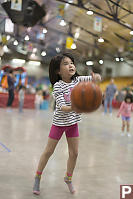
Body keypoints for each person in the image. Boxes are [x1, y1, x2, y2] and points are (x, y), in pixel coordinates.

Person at [33, 53, 101, 195]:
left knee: (74, 153)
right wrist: (78, 106)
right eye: (65, 63)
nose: (70, 65)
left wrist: (97, 79)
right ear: (58, 71)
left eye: (71, 63)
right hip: (59, 123)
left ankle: (68, 178)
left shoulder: (78, 80)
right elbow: (62, 107)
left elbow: (95, 80)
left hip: (73, 123)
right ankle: (38, 176)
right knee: (48, 152)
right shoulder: (57, 86)